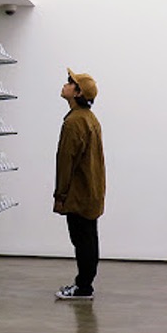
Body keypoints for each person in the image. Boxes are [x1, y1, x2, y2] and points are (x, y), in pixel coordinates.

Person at [54, 68, 106, 300]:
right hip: (91, 190)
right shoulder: (90, 119)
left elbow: (66, 161)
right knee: (89, 237)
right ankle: (85, 284)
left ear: (78, 93)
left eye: (70, 83)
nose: (65, 85)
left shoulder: (74, 121)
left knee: (82, 239)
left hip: (78, 192)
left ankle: (83, 287)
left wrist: (60, 194)